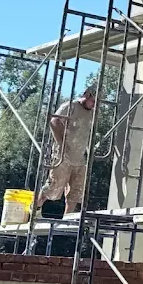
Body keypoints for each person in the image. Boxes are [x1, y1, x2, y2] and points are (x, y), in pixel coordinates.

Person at [35, 84, 97, 215]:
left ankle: (67, 217)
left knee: (76, 190)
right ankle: (36, 208)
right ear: (86, 95)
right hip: (63, 153)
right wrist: (61, 142)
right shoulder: (70, 106)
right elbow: (54, 121)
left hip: (79, 155)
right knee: (54, 185)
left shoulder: (92, 113)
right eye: (93, 100)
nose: (94, 104)